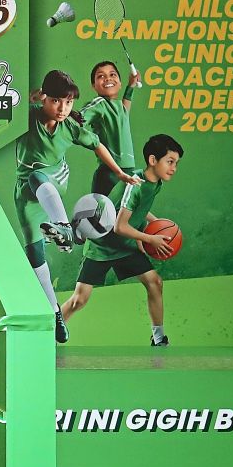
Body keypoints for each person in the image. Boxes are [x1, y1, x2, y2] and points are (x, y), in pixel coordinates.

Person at [14, 69, 138, 344]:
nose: (63, 108)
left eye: (68, 102)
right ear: (45, 98)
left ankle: (65, 228)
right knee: (35, 257)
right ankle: (55, 312)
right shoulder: (29, 115)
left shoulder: (70, 126)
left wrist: (119, 172)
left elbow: (98, 145)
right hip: (26, 193)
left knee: (38, 176)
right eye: (57, 100)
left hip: (54, 181)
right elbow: (10, 104)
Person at [61, 134, 183, 347]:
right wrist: (149, 238)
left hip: (125, 245)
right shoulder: (134, 184)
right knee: (79, 300)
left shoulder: (155, 183)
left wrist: (158, 223)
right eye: (170, 162)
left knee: (154, 282)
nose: (174, 168)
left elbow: (139, 209)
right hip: (103, 245)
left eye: (176, 163)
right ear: (153, 160)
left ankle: (158, 337)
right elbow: (120, 226)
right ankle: (47, 334)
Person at [81, 60, 142, 196]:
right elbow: (77, 119)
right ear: (93, 86)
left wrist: (131, 86)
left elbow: (124, 113)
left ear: (120, 83)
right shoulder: (99, 104)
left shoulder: (120, 107)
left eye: (112, 74)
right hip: (109, 174)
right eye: (101, 76)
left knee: (127, 214)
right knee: (100, 216)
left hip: (129, 171)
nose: (108, 78)